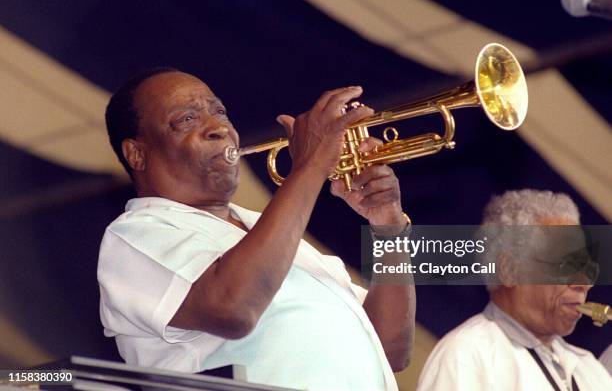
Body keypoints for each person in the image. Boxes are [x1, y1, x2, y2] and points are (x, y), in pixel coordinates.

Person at [97, 67, 416, 391]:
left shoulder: (271, 233)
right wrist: (310, 165)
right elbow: (232, 308)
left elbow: (389, 349)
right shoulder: (134, 235)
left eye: (219, 112)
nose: (217, 127)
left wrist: (387, 225)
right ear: (137, 154)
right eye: (186, 120)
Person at [416, 189, 610, 391]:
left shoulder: (589, 368)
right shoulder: (466, 355)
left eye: (587, 269)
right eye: (568, 266)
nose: (584, 283)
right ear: (509, 270)